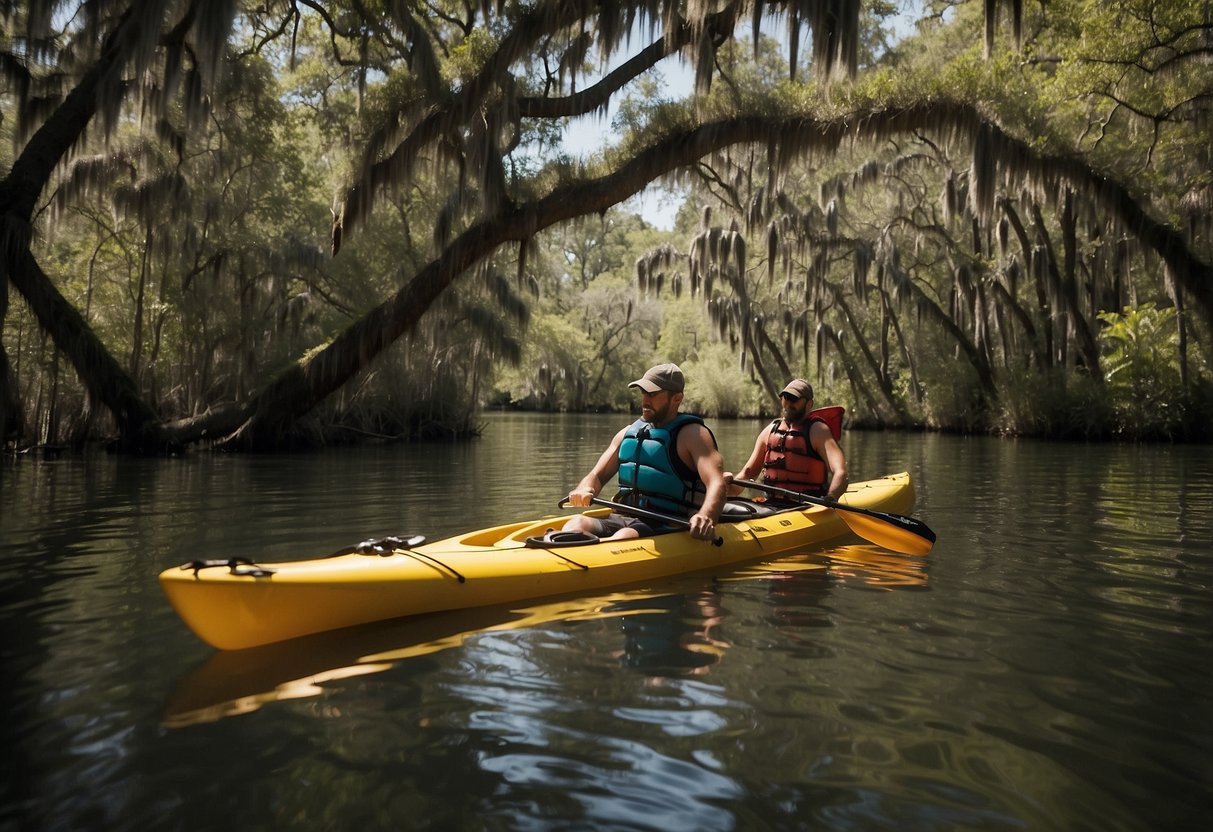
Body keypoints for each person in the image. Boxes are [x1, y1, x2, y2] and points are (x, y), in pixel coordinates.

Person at [564, 363, 727, 541]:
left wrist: (706, 516)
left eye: (653, 394)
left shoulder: (693, 435)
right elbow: (597, 475)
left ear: (677, 398)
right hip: (624, 517)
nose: (645, 400)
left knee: (623, 536)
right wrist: (585, 488)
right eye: (643, 392)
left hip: (667, 522)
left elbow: (717, 483)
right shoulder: (627, 434)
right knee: (576, 523)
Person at [729, 378, 848, 500]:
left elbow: (840, 472)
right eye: (786, 398)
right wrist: (727, 492)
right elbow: (748, 473)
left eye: (794, 399)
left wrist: (831, 497)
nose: (788, 403)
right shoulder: (770, 431)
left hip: (808, 506)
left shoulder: (817, 431)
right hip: (772, 505)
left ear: (809, 404)